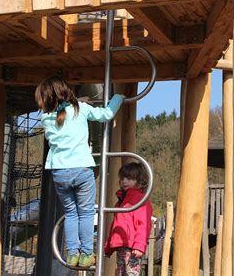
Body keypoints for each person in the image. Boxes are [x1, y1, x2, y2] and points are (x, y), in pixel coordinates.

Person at [35, 76, 124, 267]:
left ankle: (72, 253)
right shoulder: (80, 109)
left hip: (59, 173)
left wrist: (78, 102)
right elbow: (106, 114)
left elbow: (61, 113)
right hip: (82, 169)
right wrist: (118, 98)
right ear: (66, 93)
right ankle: (86, 254)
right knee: (85, 214)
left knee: (71, 213)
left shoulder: (46, 118)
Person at [104, 162, 153, 276]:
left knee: (131, 273)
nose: (124, 181)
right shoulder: (121, 201)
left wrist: (140, 245)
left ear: (139, 181)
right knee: (122, 273)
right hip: (121, 245)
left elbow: (144, 224)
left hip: (132, 247)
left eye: (129, 178)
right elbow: (116, 225)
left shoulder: (140, 199)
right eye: (122, 178)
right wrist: (109, 245)